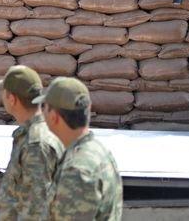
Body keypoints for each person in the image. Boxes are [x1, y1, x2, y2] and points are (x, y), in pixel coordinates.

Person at [34, 77, 123, 220]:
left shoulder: (77, 170)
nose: (42, 113)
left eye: (44, 107)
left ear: (54, 116)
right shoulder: (99, 152)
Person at [0, 65, 63, 220]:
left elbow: (36, 207)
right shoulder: (31, 134)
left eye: (4, 93)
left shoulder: (35, 143)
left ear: (12, 98)